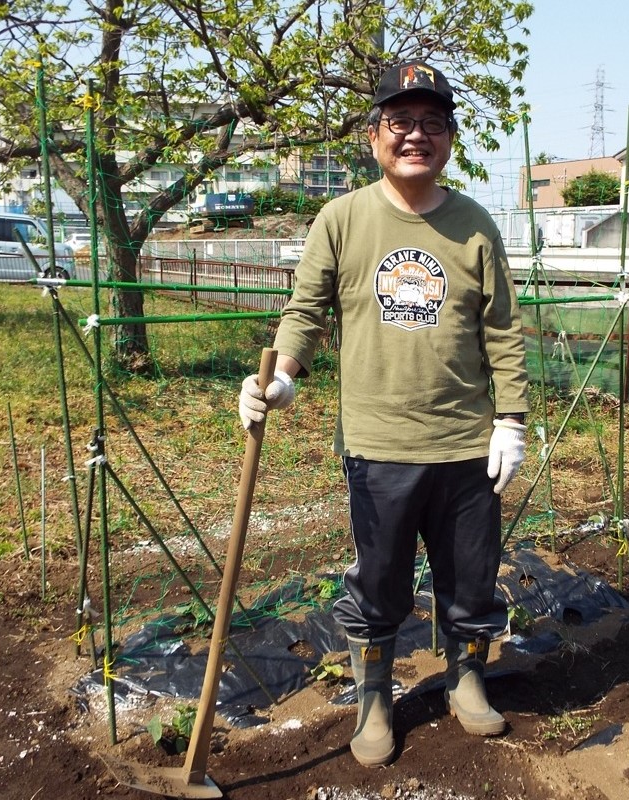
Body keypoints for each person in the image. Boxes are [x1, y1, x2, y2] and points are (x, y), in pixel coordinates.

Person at [238, 59, 529, 767]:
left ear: (450, 139)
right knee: (379, 583)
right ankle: (374, 700)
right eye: (401, 122)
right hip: (379, 444)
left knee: (471, 578)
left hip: (465, 443)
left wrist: (512, 420)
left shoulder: (475, 225)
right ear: (375, 137)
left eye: (432, 123)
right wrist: (281, 378)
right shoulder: (342, 219)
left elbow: (503, 330)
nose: (415, 136)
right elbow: (305, 313)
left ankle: (466, 679)